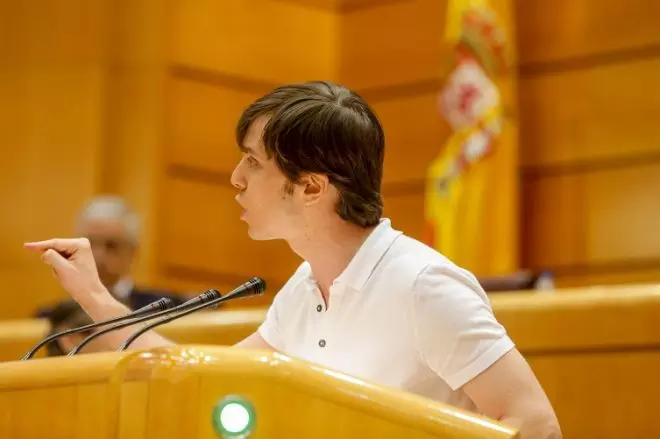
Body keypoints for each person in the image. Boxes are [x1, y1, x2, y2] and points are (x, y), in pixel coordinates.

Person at [25, 81, 561, 439]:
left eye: (253, 163)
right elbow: (197, 379)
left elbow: (535, 425)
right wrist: (93, 296)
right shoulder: (306, 288)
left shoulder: (422, 285)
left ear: (310, 187)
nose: (235, 178)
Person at [34, 196, 185, 319]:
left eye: (111, 245)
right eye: (90, 244)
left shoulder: (167, 308)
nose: (99, 255)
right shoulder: (49, 318)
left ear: (132, 252)